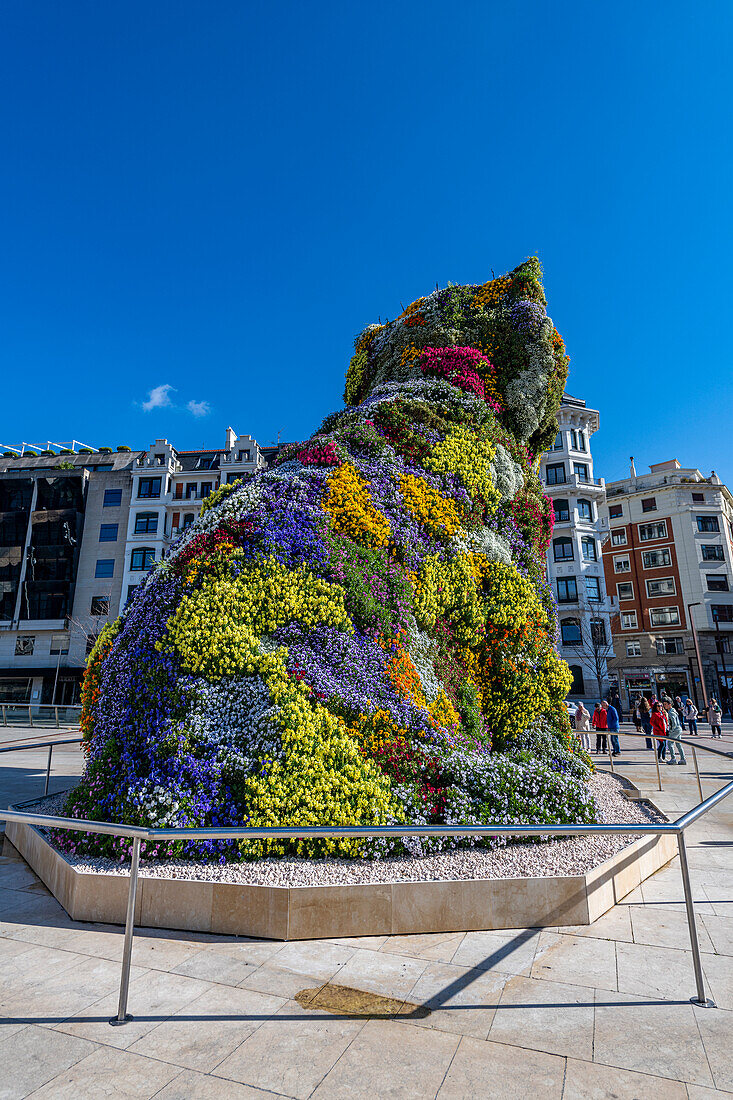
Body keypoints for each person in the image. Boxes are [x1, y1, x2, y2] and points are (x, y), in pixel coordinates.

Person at [664, 699, 686, 764]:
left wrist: (671, 730)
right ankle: (683, 758)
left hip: (675, 729)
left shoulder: (671, 712)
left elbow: (674, 722)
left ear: (669, 704)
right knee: (678, 744)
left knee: (670, 743)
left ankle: (673, 759)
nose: (664, 706)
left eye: (665, 704)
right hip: (678, 729)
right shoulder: (673, 711)